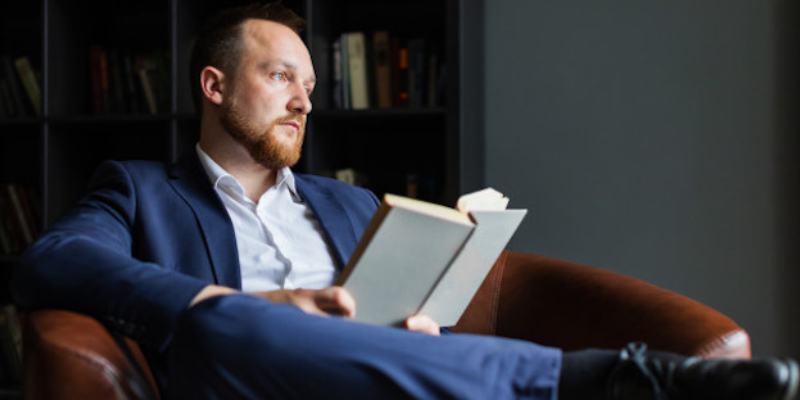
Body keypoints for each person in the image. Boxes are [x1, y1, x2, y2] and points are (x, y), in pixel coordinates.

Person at [11, 3, 799, 400]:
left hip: (377, 378)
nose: (304, 102)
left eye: (311, 87)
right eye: (281, 77)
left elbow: (414, 315)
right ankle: (607, 380)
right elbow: (52, 260)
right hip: (246, 373)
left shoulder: (345, 202)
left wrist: (422, 327)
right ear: (215, 86)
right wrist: (218, 298)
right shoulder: (140, 187)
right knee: (219, 326)